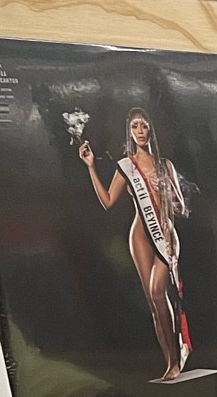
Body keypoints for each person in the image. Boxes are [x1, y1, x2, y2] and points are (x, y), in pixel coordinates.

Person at [79, 109, 192, 380]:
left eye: (143, 126)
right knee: (154, 302)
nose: (140, 131)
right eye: (135, 127)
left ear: (150, 129)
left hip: (165, 234)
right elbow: (107, 201)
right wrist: (91, 166)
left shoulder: (166, 166)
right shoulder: (126, 166)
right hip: (139, 236)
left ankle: (177, 358)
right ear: (130, 133)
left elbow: (180, 207)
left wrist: (168, 193)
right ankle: (170, 363)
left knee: (159, 292)